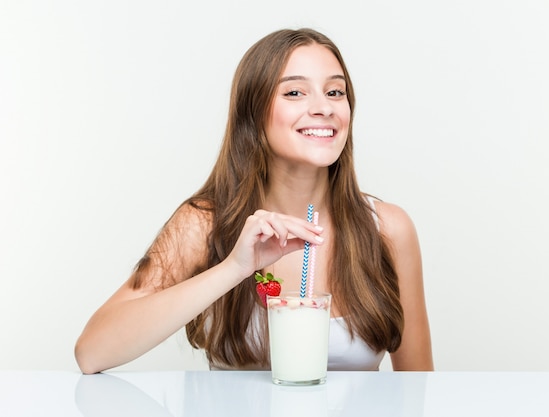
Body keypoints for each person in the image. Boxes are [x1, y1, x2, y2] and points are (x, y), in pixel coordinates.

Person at [74, 28, 433, 374]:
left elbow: (419, 389)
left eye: (335, 92)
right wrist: (233, 268)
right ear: (254, 112)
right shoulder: (204, 223)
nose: (323, 107)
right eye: (294, 93)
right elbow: (92, 353)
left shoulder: (388, 229)